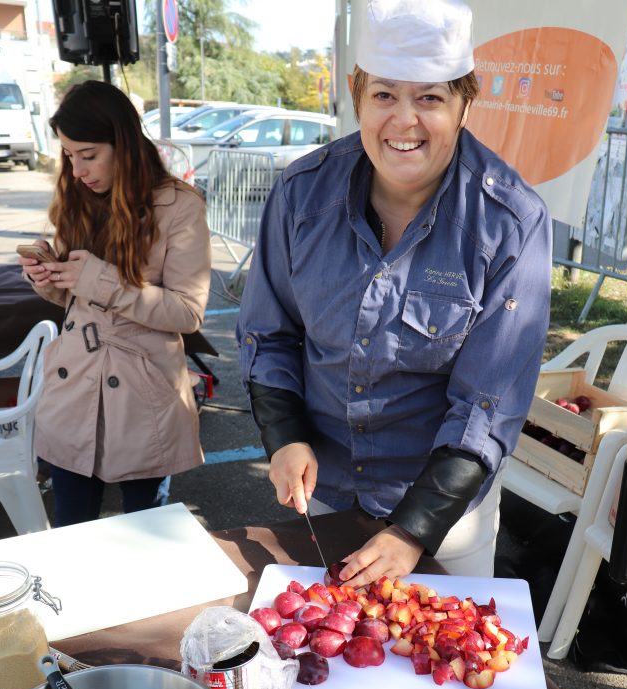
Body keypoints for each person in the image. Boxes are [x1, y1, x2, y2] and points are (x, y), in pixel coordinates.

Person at [236, 0, 552, 588]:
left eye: (430, 97)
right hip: (325, 495)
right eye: (384, 95)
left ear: (465, 104)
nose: (404, 122)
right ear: (356, 96)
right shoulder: (300, 195)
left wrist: (411, 531)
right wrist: (285, 437)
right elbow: (269, 333)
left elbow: (486, 405)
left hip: (443, 520)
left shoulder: (510, 222)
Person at [18, 80, 211, 527]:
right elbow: (72, 301)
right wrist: (48, 279)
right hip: (73, 384)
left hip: (143, 393)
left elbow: (187, 312)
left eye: (88, 154)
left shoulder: (179, 206)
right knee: (71, 532)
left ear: (122, 144)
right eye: (69, 155)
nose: (77, 169)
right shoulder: (76, 198)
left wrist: (99, 280)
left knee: (143, 535)